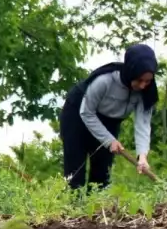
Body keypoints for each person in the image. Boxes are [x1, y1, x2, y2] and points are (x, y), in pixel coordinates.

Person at [60, 43, 159, 191]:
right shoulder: (105, 80)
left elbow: (143, 124)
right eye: (139, 80)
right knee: (75, 174)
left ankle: (97, 211)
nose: (143, 85)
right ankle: (73, 209)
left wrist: (142, 156)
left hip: (109, 122)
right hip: (77, 116)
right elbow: (86, 112)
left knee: (102, 175)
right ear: (131, 71)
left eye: (148, 81)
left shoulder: (146, 92)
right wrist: (109, 140)